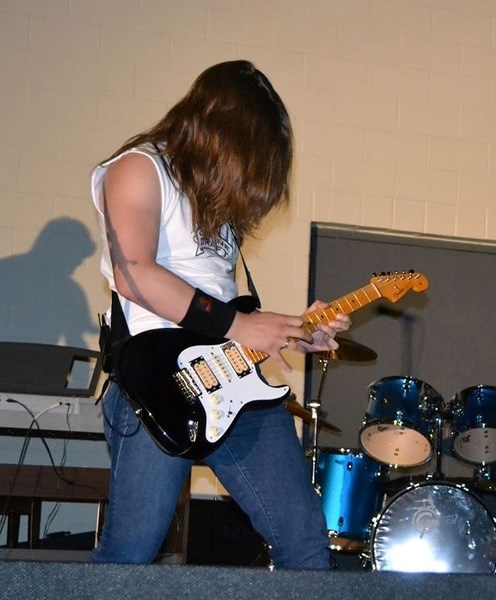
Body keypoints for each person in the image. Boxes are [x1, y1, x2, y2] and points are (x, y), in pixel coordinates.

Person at [90, 60, 350, 570]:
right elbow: (134, 272)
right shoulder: (138, 168)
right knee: (131, 554)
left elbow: (218, 306)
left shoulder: (214, 203)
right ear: (220, 132)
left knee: (305, 544)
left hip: (233, 382)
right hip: (156, 387)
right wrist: (240, 326)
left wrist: (291, 334)